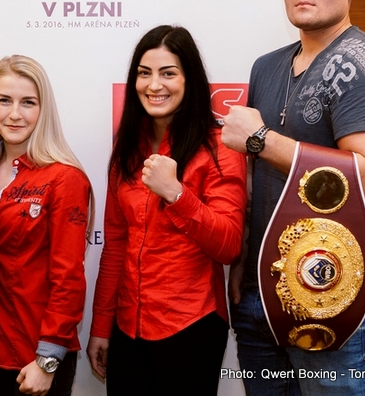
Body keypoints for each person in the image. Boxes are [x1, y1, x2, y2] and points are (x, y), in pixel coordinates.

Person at [221, 0, 365, 396]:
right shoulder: (267, 66)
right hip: (262, 293)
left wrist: (262, 139)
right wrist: (245, 255)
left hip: (336, 296)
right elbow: (261, 180)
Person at [87, 25, 247, 394]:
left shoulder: (219, 146)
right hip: (128, 327)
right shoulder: (127, 150)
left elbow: (228, 246)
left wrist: (177, 194)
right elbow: (114, 248)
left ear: (189, 79)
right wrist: (100, 327)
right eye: (144, 73)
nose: (154, 85)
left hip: (191, 325)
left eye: (168, 73)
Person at [0, 55, 93, 396]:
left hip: (37, 358)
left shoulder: (65, 177)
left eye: (28, 103)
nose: (14, 114)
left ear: (43, 109)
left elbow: (68, 279)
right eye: (4, 100)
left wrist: (47, 360)